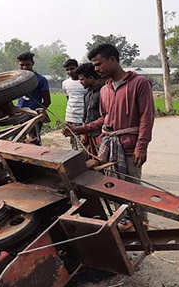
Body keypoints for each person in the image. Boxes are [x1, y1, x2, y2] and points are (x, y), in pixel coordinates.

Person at [65, 44, 155, 222]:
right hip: (108, 146)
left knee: (133, 190)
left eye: (99, 64)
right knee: (112, 188)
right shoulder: (105, 90)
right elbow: (103, 120)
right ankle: (124, 223)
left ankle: (142, 227)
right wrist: (77, 129)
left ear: (112, 60)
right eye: (94, 65)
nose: (96, 69)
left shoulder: (139, 83)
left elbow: (147, 117)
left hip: (129, 147)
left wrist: (141, 146)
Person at [73, 62, 103, 156]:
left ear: (90, 78)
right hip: (89, 135)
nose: (80, 82)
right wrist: (83, 132)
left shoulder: (103, 93)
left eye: (82, 79)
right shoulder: (87, 94)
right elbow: (85, 115)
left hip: (100, 135)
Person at [62, 59, 86, 150]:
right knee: (74, 144)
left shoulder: (84, 81)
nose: (70, 71)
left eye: (72, 68)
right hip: (71, 116)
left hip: (83, 117)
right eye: (67, 70)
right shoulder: (65, 83)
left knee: (84, 144)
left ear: (77, 67)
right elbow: (68, 99)